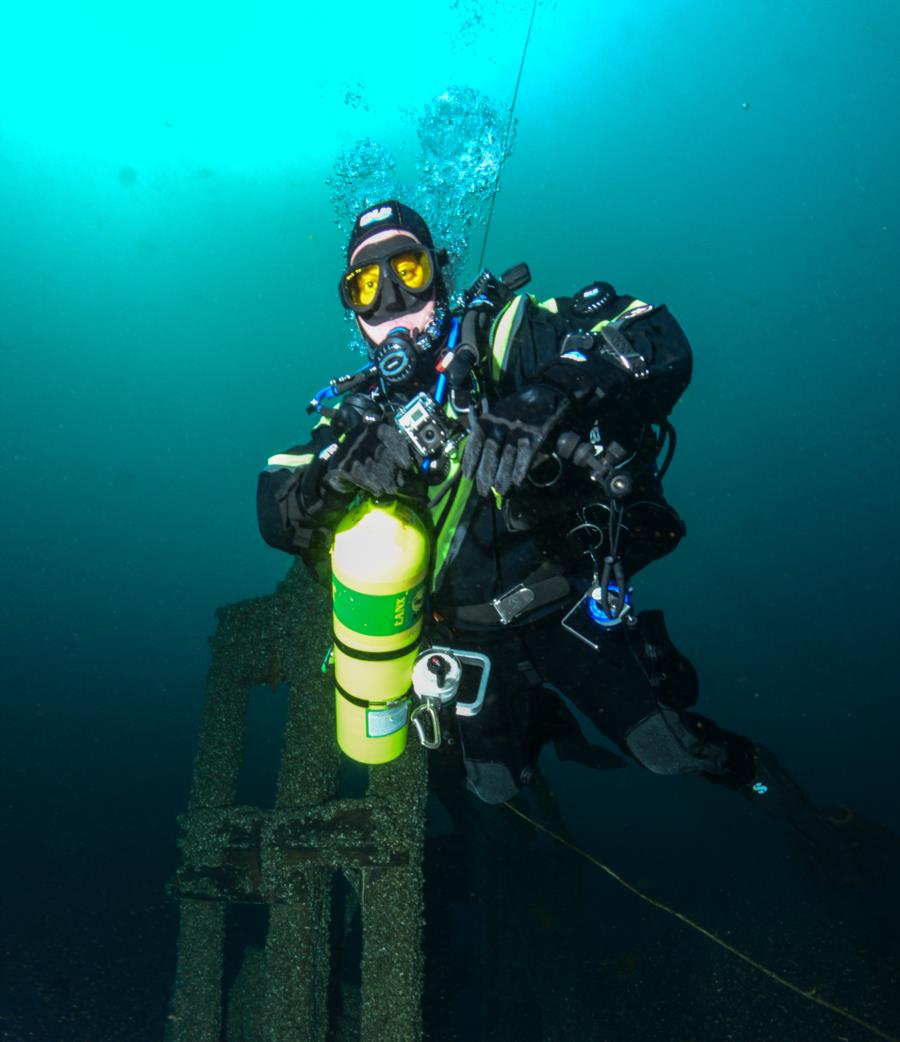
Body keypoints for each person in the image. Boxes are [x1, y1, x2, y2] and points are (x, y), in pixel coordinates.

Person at [256, 200, 860, 855]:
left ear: (441, 272)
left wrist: (554, 393)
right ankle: (544, 727)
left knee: (668, 748)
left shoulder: (514, 335)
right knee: (493, 786)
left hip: (560, 603)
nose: (394, 300)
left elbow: (656, 332)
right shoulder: (350, 414)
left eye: (408, 268)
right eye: (367, 286)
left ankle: (802, 815)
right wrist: (339, 472)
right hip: (463, 635)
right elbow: (274, 506)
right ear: (352, 310)